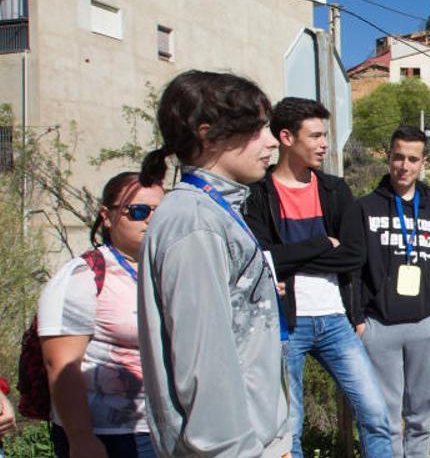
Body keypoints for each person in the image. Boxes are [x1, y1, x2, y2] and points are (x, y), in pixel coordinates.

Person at [136, 70, 290, 456]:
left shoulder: (217, 211)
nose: (271, 142)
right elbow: (204, 362)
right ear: (207, 135)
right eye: (257, 130)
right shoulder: (196, 222)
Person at [243, 98, 391, 458]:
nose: (324, 143)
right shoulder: (258, 193)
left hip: (336, 320)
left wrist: (290, 257)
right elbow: (261, 260)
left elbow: (356, 253)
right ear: (286, 137)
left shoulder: (335, 190)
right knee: (288, 429)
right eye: (315, 135)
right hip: (284, 324)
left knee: (375, 413)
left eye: (325, 135)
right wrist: (323, 242)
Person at [37, 172, 162, 457]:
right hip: (107, 437)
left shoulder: (168, 271)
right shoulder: (82, 277)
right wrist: (81, 439)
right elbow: (60, 364)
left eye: (161, 210)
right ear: (107, 216)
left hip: (164, 429)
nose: (152, 220)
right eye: (138, 211)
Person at [357, 125, 430, 457]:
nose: (404, 165)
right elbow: (353, 269)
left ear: (422, 163)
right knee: (385, 418)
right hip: (379, 327)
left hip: (424, 326)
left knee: (421, 415)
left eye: (412, 159)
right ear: (388, 157)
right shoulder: (365, 208)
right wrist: (359, 320)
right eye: (398, 156)